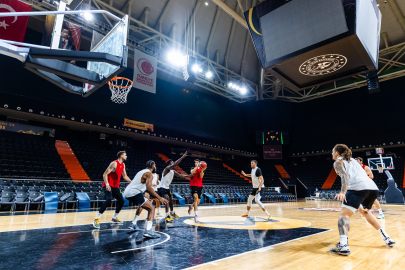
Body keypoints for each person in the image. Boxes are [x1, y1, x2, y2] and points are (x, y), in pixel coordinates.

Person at [330, 144, 395, 256]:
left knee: (344, 216)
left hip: (357, 189)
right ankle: (387, 237)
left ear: (337, 153)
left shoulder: (338, 162)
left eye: (332, 151)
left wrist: (342, 192)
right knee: (365, 213)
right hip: (373, 188)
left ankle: (343, 245)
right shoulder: (354, 161)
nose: (331, 153)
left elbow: (345, 177)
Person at [123, 160, 168, 239]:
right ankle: (148, 231)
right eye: (155, 165)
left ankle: (133, 224)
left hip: (127, 192)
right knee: (151, 208)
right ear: (153, 166)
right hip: (134, 192)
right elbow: (149, 188)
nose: (155, 167)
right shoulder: (149, 174)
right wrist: (160, 198)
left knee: (144, 205)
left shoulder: (141, 171)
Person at [93, 151, 132, 229]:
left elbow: (125, 176)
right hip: (108, 185)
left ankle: (114, 218)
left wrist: (133, 182)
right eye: (125, 155)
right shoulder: (114, 163)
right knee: (109, 200)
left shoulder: (123, 165)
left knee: (121, 201)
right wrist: (107, 184)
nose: (126, 156)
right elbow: (105, 174)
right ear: (121, 156)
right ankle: (97, 219)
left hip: (116, 187)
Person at [158, 152, 189, 222]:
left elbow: (181, 176)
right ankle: (167, 215)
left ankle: (172, 213)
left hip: (167, 187)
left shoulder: (173, 171)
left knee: (171, 200)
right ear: (169, 164)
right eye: (172, 162)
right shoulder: (167, 169)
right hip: (162, 187)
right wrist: (183, 157)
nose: (174, 163)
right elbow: (175, 164)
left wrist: (189, 175)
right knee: (166, 199)